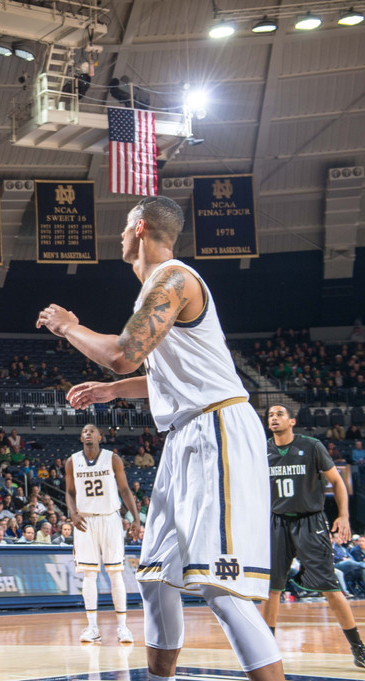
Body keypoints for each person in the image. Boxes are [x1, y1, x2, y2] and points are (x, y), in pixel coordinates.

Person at [37, 195, 283, 680]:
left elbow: (122, 354)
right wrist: (114, 391)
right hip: (185, 434)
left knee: (220, 587)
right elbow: (169, 375)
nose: (119, 236)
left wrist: (68, 327)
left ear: (141, 228)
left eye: (124, 228)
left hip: (217, 429)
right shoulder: (157, 289)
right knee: (155, 579)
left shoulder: (173, 279)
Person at [262, 404, 364, 667]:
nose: (274, 418)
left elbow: (337, 480)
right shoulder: (262, 450)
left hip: (310, 521)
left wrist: (343, 515)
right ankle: (265, 651)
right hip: (277, 522)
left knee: (330, 587)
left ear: (292, 421)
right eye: (270, 415)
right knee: (272, 589)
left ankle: (358, 649)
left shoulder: (311, 446)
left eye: (279, 414)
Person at [65, 424, 141, 644]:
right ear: (81, 438)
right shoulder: (72, 461)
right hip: (85, 521)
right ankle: (92, 627)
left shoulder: (112, 459)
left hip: (110, 518)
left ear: (100, 436)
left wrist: (136, 518)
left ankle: (123, 627)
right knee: (89, 575)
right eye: (84, 432)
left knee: (116, 573)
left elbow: (124, 489)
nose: (88, 433)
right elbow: (69, 492)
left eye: (92, 431)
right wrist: (73, 513)